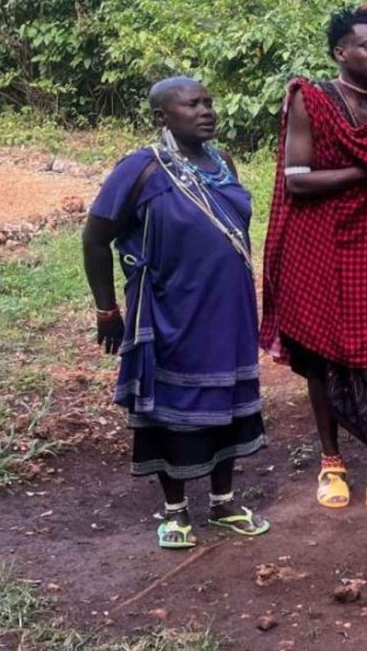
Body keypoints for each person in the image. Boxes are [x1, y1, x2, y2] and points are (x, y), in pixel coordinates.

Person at [81, 77, 269, 550]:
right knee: (173, 407)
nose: (206, 110)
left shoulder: (222, 163)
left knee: (226, 398)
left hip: (229, 306)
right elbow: (94, 238)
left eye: (209, 101)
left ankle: (224, 502)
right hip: (170, 312)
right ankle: (175, 510)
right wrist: (107, 309)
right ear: (163, 116)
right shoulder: (141, 169)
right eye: (192, 104)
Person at [259, 8, 367, 525]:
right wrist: (365, 168)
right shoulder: (312, 97)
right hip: (320, 244)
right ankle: (330, 463)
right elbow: (299, 179)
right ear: (340, 53)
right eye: (366, 46)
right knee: (322, 355)